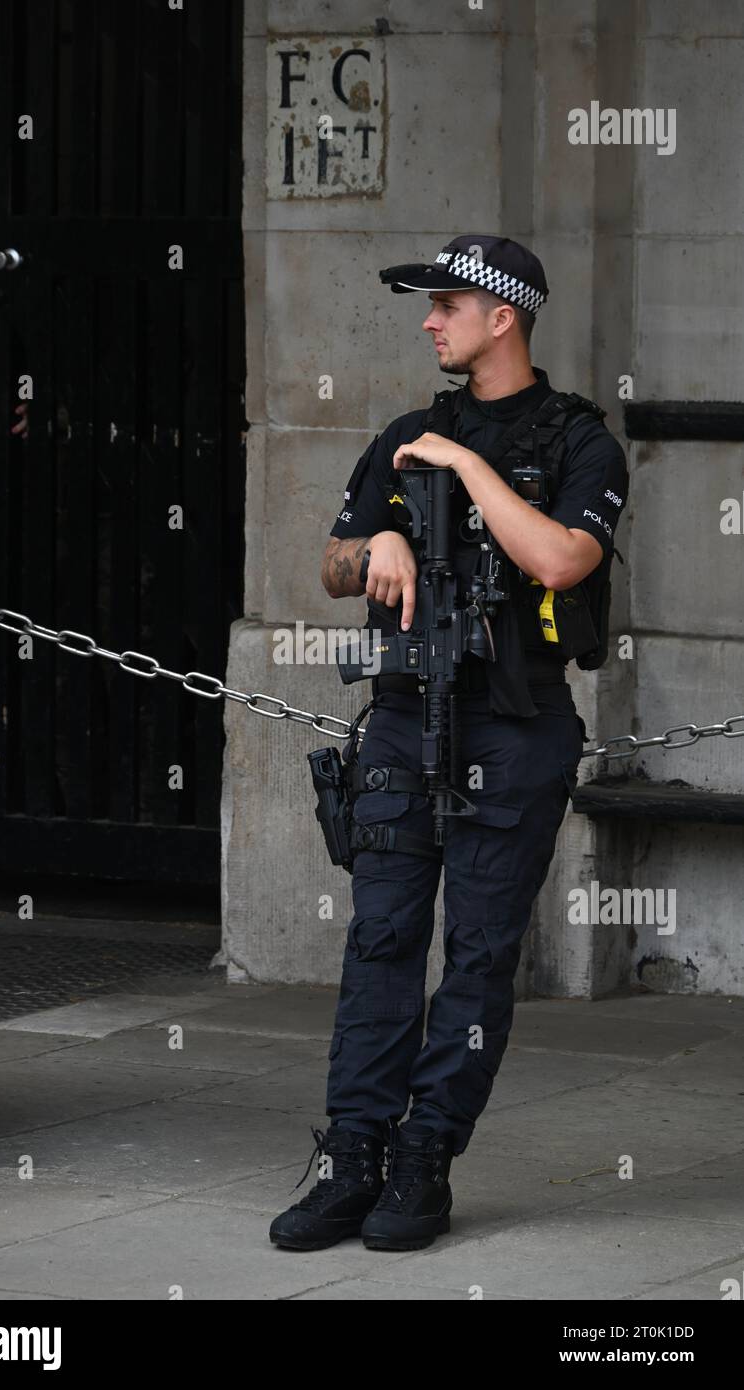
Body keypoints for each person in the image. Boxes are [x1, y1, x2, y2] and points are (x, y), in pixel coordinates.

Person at [269, 234, 629, 1253]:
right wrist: (375, 541)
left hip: (515, 727)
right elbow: (335, 563)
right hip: (400, 715)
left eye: (446, 304)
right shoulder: (401, 436)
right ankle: (353, 1154)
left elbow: (561, 558)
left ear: (502, 314)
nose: (429, 319)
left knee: (476, 958)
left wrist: (468, 464)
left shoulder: (578, 442)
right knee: (379, 939)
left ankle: (425, 1160)